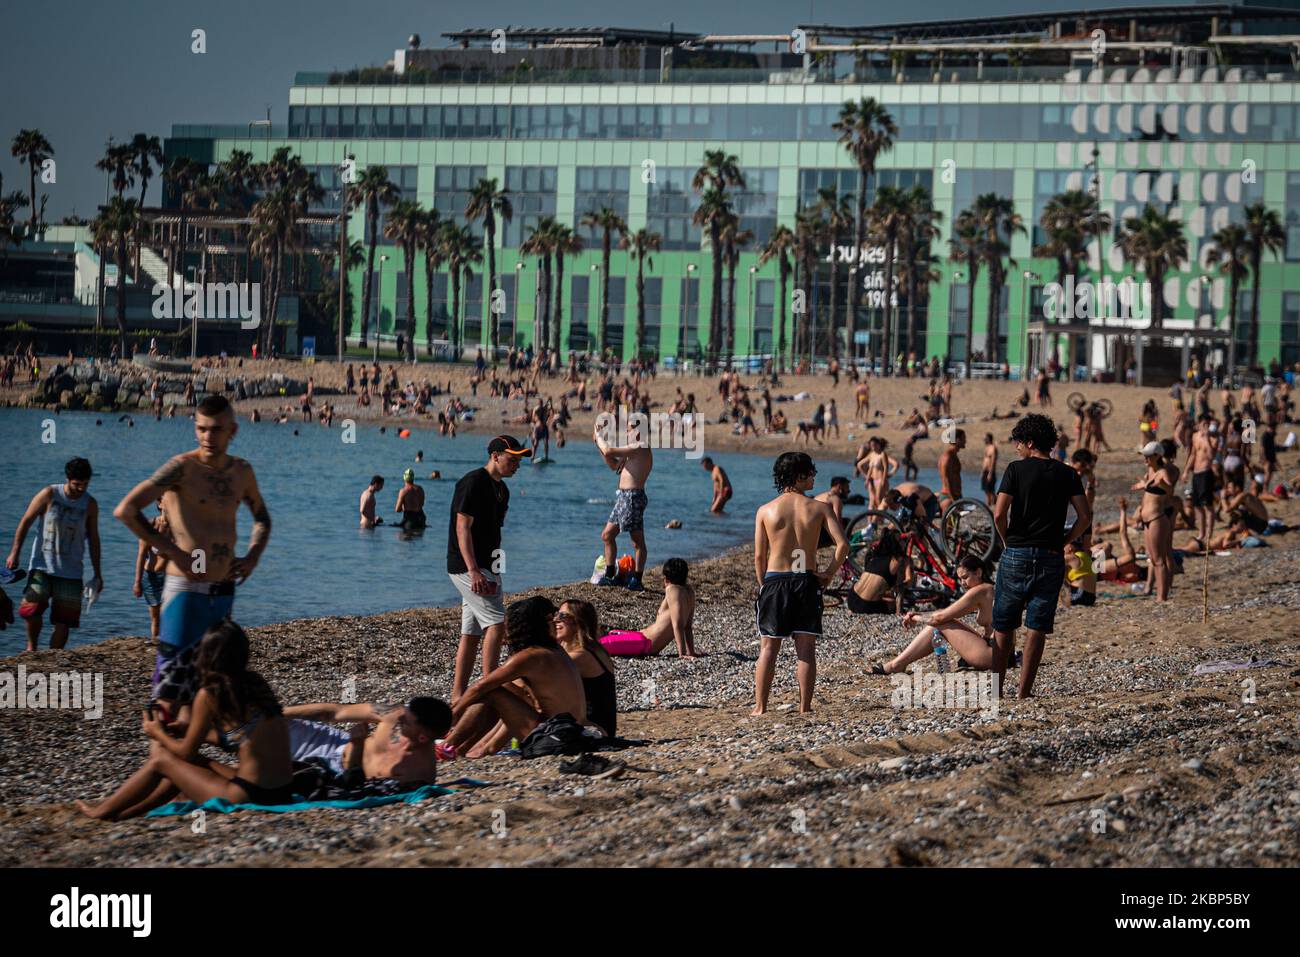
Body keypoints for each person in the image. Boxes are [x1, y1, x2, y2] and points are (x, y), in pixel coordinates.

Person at [114, 394, 272, 720]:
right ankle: (163, 756)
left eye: (215, 430)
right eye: (201, 429)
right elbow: (126, 510)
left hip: (223, 590)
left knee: (210, 689)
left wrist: (253, 555)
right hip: (186, 590)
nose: (207, 437)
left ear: (233, 431)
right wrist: (174, 552)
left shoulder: (241, 472)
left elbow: (262, 518)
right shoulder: (181, 468)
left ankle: (184, 758)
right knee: (170, 694)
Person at [77, 621, 294, 819]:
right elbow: (244, 738)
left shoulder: (209, 694)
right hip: (281, 791)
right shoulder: (256, 683)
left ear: (207, 656)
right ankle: (128, 813)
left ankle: (102, 811)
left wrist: (156, 732)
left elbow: (185, 752)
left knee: (162, 760)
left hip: (249, 795)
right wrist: (188, 729)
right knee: (192, 764)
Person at [991, 413, 1089, 699]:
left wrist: (1006, 539)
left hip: (1017, 551)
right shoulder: (1068, 473)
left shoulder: (1015, 470)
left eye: (1018, 443)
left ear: (1030, 442)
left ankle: (996, 691)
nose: (1016, 449)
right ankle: (1023, 692)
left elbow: (999, 513)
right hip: (1050, 554)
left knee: (1004, 623)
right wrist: (1066, 540)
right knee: (1037, 625)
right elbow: (1084, 517)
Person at [752, 452, 849, 715]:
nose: (814, 476)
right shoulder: (820, 508)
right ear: (798, 476)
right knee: (806, 649)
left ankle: (760, 708)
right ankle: (805, 707)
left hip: (776, 580)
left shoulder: (766, 510)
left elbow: (760, 556)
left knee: (769, 647)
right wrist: (828, 573)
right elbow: (843, 545)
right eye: (810, 472)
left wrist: (764, 585)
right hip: (806, 580)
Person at [445, 596, 586, 759]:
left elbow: (480, 686)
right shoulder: (555, 649)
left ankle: (447, 745)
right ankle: (465, 749)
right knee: (501, 690)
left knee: (490, 692)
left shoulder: (531, 656)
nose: (507, 632)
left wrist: (452, 714)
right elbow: (517, 691)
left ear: (522, 627)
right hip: (572, 732)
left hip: (554, 737)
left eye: (510, 626)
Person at [447, 436, 529, 704]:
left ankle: (458, 697)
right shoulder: (472, 482)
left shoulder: (502, 490)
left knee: (470, 634)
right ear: (495, 456)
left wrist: (495, 572)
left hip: (488, 566)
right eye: (512, 459)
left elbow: (494, 534)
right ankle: (490, 687)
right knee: (496, 624)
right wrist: (473, 571)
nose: (516, 465)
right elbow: (463, 528)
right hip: (466, 566)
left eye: (519, 461)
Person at [6, 457, 103, 652]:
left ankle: (53, 656)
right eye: (77, 484)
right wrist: (14, 553)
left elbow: (94, 539)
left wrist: (97, 573)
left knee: (64, 621)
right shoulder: (49, 494)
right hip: (43, 565)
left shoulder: (90, 504)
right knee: (31, 609)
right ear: (68, 479)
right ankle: (31, 649)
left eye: (85, 484)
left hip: (72, 571)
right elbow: (26, 522)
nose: (81, 489)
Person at [282, 697, 451, 785]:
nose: (400, 718)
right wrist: (279, 712)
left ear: (422, 737)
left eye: (406, 720)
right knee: (269, 723)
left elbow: (355, 785)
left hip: (333, 772)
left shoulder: (417, 773)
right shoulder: (395, 713)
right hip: (333, 742)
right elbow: (335, 712)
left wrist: (357, 744)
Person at [869, 557, 996, 673]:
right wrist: (919, 613)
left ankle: (896, 665)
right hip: (995, 651)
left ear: (978, 573)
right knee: (942, 622)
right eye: (960, 579)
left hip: (991, 655)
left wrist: (916, 618)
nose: (962, 583)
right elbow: (946, 612)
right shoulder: (988, 590)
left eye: (965, 577)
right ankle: (897, 664)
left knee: (939, 624)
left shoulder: (980, 591)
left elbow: (940, 618)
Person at [594, 418, 653, 591]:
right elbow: (613, 465)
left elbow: (610, 449)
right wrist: (598, 445)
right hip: (624, 498)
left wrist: (598, 435)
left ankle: (637, 579)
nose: (626, 433)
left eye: (629, 430)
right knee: (607, 535)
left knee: (637, 541)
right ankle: (610, 575)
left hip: (633, 497)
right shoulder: (632, 452)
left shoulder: (640, 446)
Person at [604, 557, 699, 658]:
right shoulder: (690, 592)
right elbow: (687, 627)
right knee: (610, 633)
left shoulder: (672, 589)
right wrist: (691, 652)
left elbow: (678, 624)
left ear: (666, 579)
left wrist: (682, 654)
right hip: (640, 637)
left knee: (599, 645)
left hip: (644, 643)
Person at [553, 598, 619, 737]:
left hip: (595, 730)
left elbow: (544, 678)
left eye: (563, 616)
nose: (556, 620)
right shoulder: (594, 649)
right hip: (602, 727)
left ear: (578, 622)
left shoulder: (580, 656)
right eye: (556, 614)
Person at [1132, 441, 1174, 601]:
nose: (1145, 459)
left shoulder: (1163, 472)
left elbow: (1170, 490)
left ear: (1157, 456)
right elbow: (1146, 497)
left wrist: (1161, 484)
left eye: (1148, 456)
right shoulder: (1149, 471)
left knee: (1159, 559)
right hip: (1147, 519)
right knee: (1153, 558)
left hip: (1158, 518)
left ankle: (1161, 596)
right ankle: (1159, 594)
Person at [132, 501, 172, 642]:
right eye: (168, 500)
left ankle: (168, 642)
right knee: (155, 617)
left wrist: (199, 571)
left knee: (168, 614)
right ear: (160, 504)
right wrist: (137, 582)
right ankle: (156, 644)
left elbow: (196, 550)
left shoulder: (179, 527)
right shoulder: (151, 525)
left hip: (171, 577)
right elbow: (141, 554)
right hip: (151, 577)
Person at [844, 526, 905, 615]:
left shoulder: (874, 557)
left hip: (851, 598)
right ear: (895, 544)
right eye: (900, 541)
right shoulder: (896, 561)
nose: (903, 542)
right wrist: (898, 611)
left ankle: (854, 609)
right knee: (892, 603)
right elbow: (900, 589)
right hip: (865, 605)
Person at [938, 428, 965, 510]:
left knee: (956, 523)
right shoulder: (947, 457)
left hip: (956, 495)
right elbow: (945, 479)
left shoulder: (954, 455)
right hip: (948, 496)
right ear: (957, 440)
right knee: (948, 523)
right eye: (963, 439)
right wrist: (953, 500)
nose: (965, 442)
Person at [980, 433, 999, 507]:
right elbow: (985, 460)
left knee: (991, 491)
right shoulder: (987, 447)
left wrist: (990, 473)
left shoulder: (993, 448)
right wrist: (982, 472)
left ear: (989, 439)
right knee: (986, 490)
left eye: (985, 438)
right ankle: (988, 505)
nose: (984, 440)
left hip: (990, 471)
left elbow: (993, 461)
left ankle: (993, 505)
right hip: (985, 471)